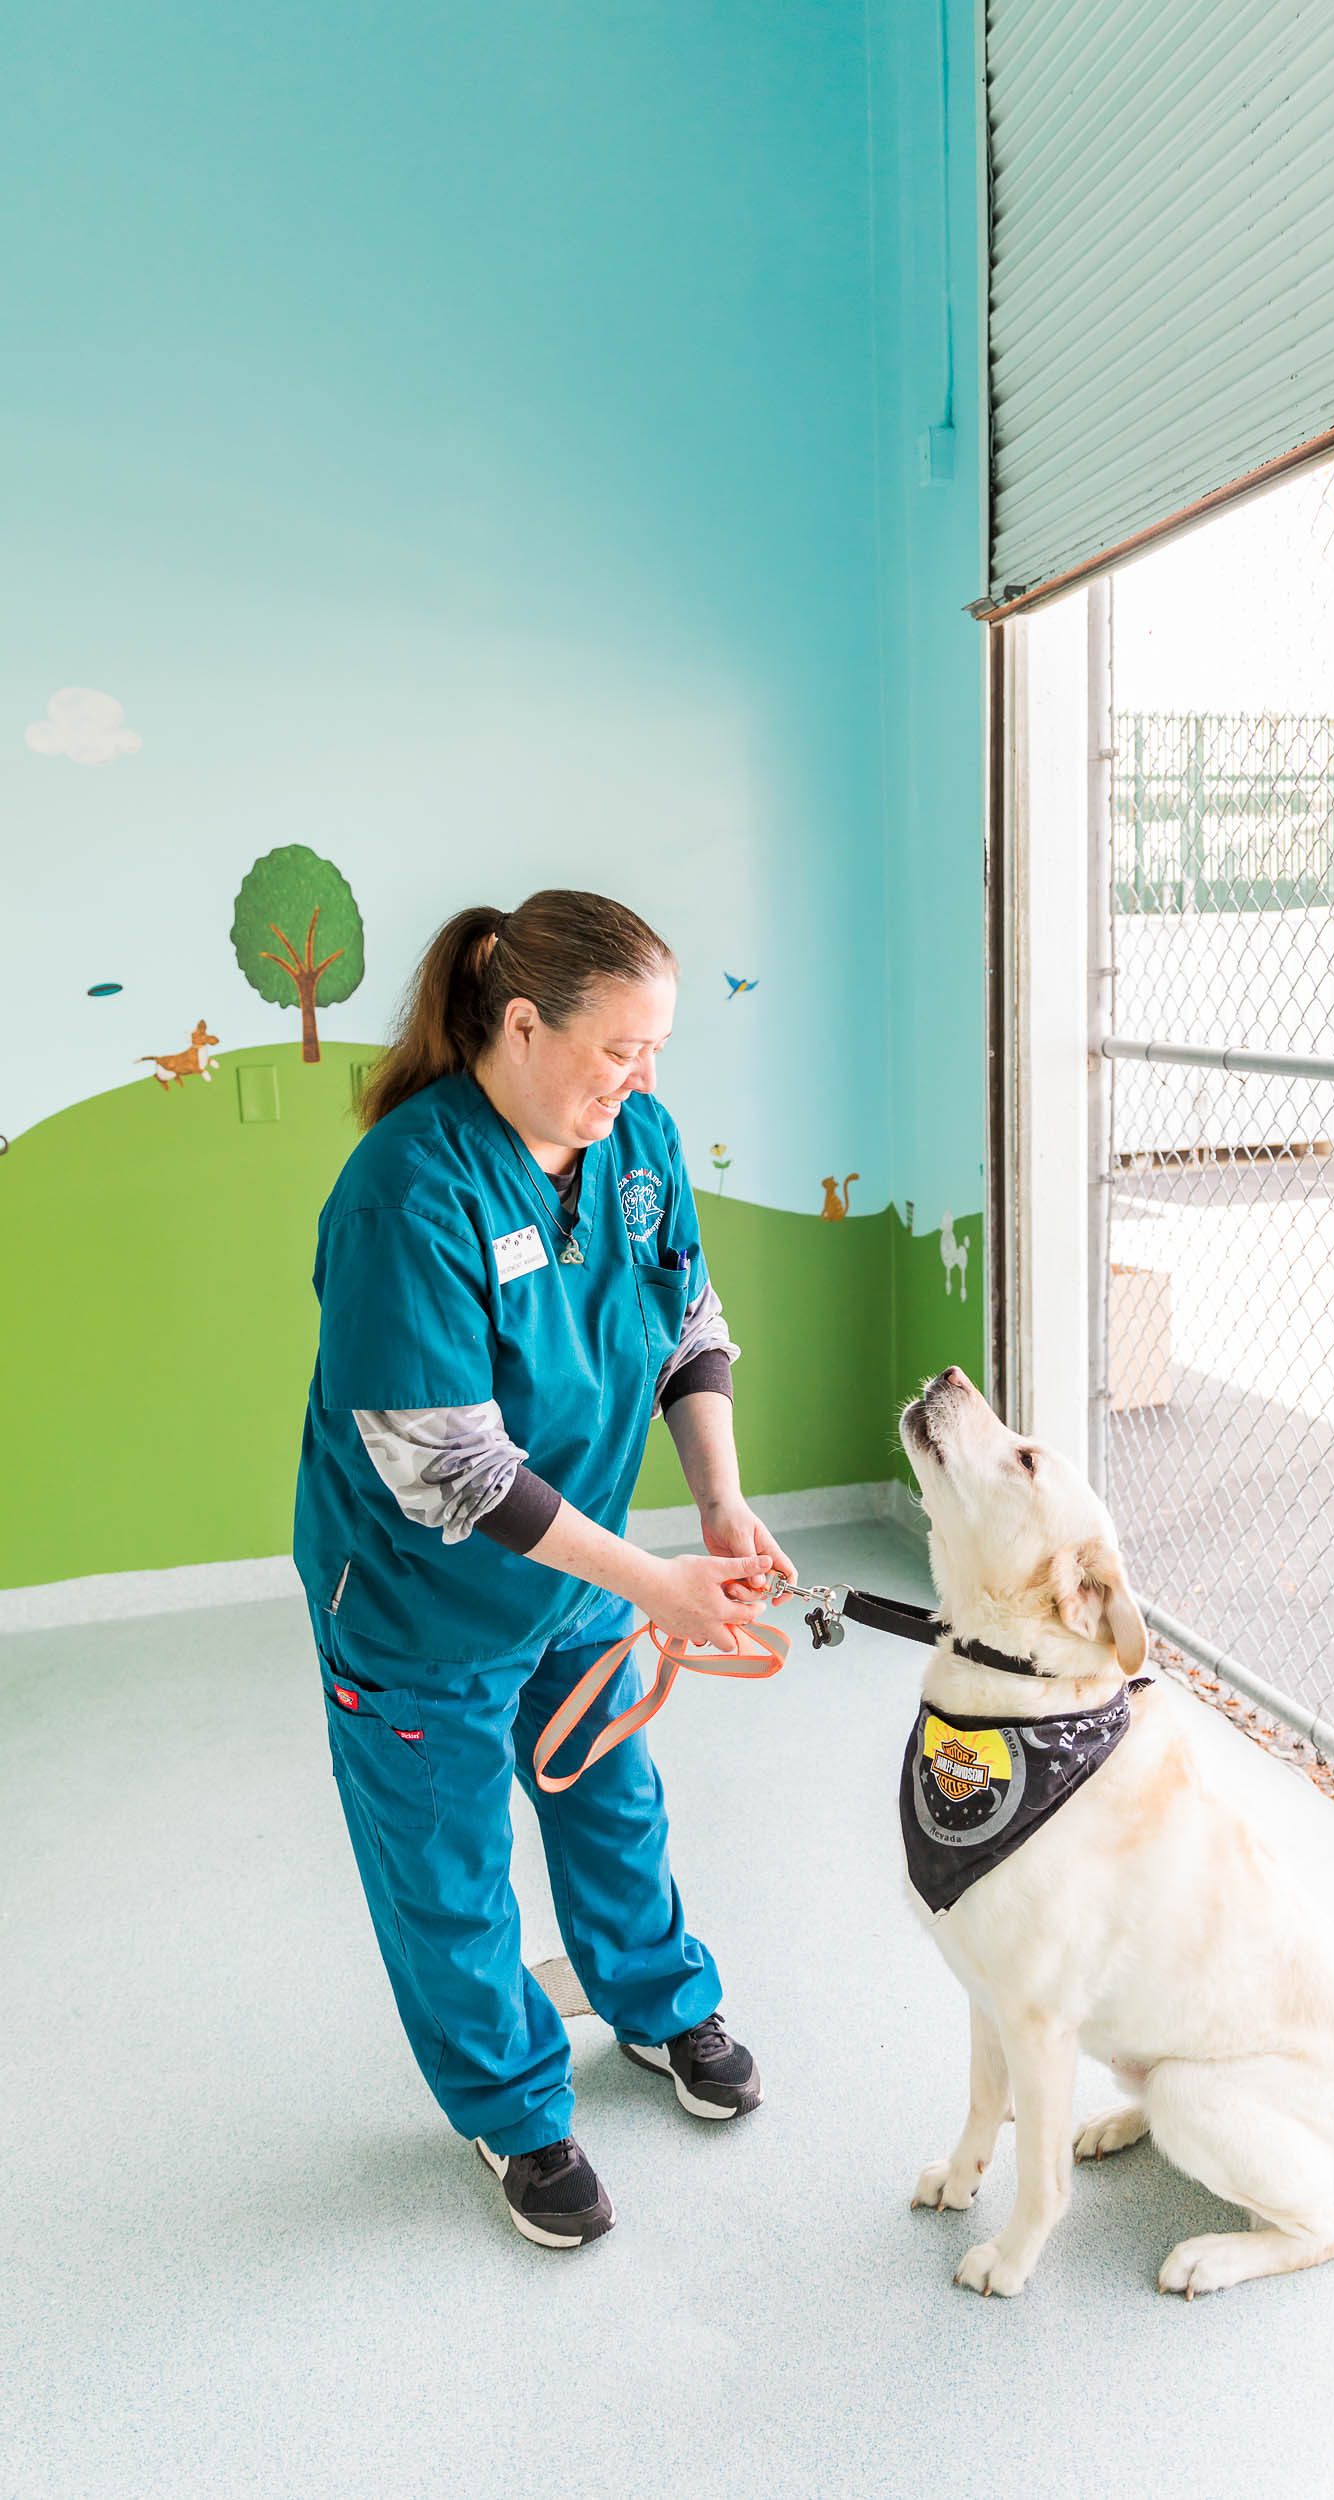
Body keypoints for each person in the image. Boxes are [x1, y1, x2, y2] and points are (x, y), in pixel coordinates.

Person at [293, 890, 794, 2249]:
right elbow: (445, 1465)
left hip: (581, 1570)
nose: (640, 1083)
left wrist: (721, 1508)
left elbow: (687, 1318)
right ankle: (513, 2109)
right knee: (451, 1871)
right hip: (414, 1602)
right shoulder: (410, 1187)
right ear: (520, 1023)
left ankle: (655, 2001)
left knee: (609, 1798)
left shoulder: (636, 1141)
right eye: (616, 1051)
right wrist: (653, 1581)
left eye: (656, 1053)